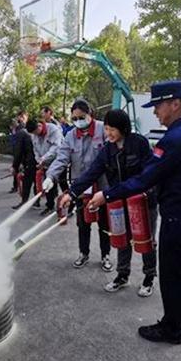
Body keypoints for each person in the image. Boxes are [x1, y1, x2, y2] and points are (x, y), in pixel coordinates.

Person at [86, 80, 181, 345]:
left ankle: (171, 329)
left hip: (177, 218)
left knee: (173, 274)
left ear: (175, 104)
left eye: (158, 105)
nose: (155, 112)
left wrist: (106, 194)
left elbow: (145, 178)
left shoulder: (174, 139)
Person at [59, 109, 157, 296]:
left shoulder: (139, 144)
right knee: (122, 238)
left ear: (123, 128)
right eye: (106, 129)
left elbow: (147, 176)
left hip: (143, 201)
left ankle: (148, 277)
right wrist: (71, 193)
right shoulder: (107, 150)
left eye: (112, 130)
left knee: (147, 240)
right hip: (119, 200)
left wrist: (108, 194)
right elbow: (91, 173)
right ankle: (122, 275)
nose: (108, 133)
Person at [44, 99, 113, 272]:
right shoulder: (70, 135)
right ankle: (84, 253)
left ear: (91, 114)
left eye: (81, 117)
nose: (77, 122)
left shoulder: (103, 130)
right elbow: (62, 158)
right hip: (81, 187)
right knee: (83, 223)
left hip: (102, 186)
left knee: (104, 222)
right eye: (74, 119)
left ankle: (106, 255)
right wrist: (51, 176)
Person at [25, 118, 63, 216]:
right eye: (33, 133)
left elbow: (56, 147)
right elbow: (35, 149)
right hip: (45, 163)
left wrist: (44, 158)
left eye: (36, 132)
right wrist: (39, 160)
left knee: (63, 184)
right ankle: (50, 206)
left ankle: (69, 205)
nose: (35, 135)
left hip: (59, 161)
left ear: (39, 125)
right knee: (48, 185)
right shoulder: (34, 135)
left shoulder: (53, 130)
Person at [41, 106, 69, 193]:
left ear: (49, 112)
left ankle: (68, 199)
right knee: (51, 180)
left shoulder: (55, 125)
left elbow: (58, 144)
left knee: (62, 181)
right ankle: (51, 203)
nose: (42, 115)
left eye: (43, 113)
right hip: (48, 157)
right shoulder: (44, 124)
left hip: (58, 156)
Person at [11, 118, 36, 209]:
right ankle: (36, 202)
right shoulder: (26, 132)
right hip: (36, 159)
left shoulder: (20, 133)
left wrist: (15, 166)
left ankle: (24, 201)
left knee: (27, 182)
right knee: (35, 181)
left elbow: (18, 152)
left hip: (29, 160)